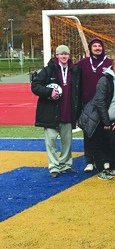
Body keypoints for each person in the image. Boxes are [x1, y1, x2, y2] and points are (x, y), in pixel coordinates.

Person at [31, 45, 81, 178]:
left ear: (69, 55)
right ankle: (54, 167)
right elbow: (35, 86)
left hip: (68, 112)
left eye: (66, 54)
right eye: (61, 54)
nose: (64, 56)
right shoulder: (48, 70)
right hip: (51, 113)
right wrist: (48, 92)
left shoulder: (75, 71)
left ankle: (66, 165)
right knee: (51, 142)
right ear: (56, 56)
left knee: (67, 142)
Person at [78, 57, 115, 179]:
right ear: (113, 67)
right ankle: (101, 170)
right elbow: (100, 101)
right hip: (98, 118)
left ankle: (112, 168)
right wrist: (106, 121)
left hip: (113, 119)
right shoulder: (105, 80)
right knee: (98, 143)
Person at [76, 38, 113, 172]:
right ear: (90, 49)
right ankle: (89, 161)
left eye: (99, 46)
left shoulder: (110, 63)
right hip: (88, 105)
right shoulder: (83, 63)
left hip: (105, 105)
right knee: (88, 133)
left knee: (105, 133)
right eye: (94, 46)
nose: (97, 48)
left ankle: (106, 159)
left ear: (103, 48)